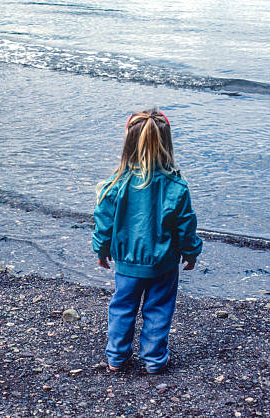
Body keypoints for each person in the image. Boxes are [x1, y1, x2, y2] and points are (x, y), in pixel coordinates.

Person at [92, 109, 202, 374]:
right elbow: (186, 225)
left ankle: (117, 357)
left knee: (122, 306)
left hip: (127, 261)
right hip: (163, 262)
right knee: (159, 309)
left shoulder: (115, 184)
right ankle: (154, 360)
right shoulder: (176, 186)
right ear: (167, 144)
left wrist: (101, 249)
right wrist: (191, 252)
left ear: (128, 144)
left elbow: (103, 222)